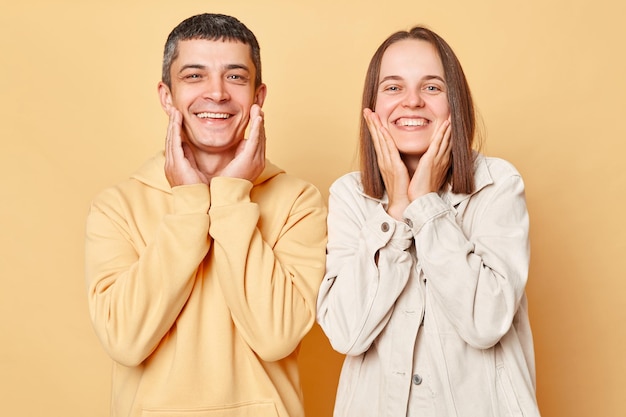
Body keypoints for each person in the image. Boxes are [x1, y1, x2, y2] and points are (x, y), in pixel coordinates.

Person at [85, 13, 327, 417]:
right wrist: (190, 204)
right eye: (194, 76)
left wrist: (231, 198)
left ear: (258, 96)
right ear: (167, 96)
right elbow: (125, 341)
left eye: (235, 77)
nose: (216, 93)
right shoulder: (116, 207)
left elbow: (276, 336)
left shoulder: (299, 201)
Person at [316, 26, 541, 416]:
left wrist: (425, 206)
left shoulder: (497, 184)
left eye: (432, 88)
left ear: (455, 103)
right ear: (372, 108)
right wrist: (396, 209)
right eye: (393, 88)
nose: (412, 102)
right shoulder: (350, 196)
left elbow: (484, 321)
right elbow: (347, 333)